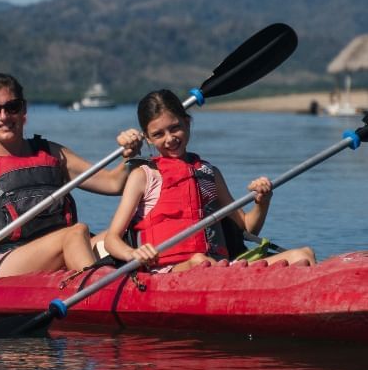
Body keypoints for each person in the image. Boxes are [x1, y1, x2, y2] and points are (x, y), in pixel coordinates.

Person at [0, 73, 143, 279]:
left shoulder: (51, 153)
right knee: (76, 232)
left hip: (63, 248)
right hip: (0, 262)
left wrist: (129, 155)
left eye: (11, 107)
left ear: (23, 109)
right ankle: (102, 292)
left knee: (124, 232)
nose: (3, 117)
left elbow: (113, 183)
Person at [103, 89, 316, 272]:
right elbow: (112, 239)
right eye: (159, 134)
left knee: (303, 254)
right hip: (168, 271)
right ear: (148, 138)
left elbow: (248, 227)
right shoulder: (143, 176)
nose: (170, 138)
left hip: (217, 266)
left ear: (187, 123)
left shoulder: (208, 173)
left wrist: (263, 200)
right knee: (199, 261)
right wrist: (133, 253)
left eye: (175, 127)